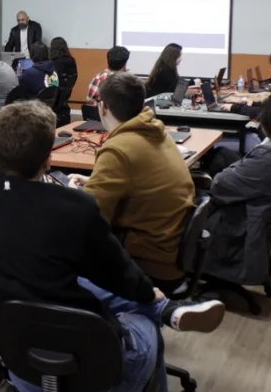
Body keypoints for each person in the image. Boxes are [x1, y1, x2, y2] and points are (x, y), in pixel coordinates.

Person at [0, 101, 225, 392]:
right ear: (47, 161)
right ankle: (162, 311)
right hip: (101, 374)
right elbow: (118, 273)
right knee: (142, 320)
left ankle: (163, 309)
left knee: (80, 280)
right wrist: (147, 293)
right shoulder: (77, 207)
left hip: (22, 370)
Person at [69, 73, 196, 292]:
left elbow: (90, 220)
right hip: (170, 253)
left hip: (147, 265)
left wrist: (75, 196)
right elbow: (139, 183)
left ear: (103, 107)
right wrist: (94, 181)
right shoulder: (157, 131)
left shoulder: (118, 149)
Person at [205, 93, 271, 286]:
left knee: (189, 193)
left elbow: (219, 185)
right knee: (221, 154)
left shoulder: (270, 158)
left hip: (239, 215)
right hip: (262, 203)